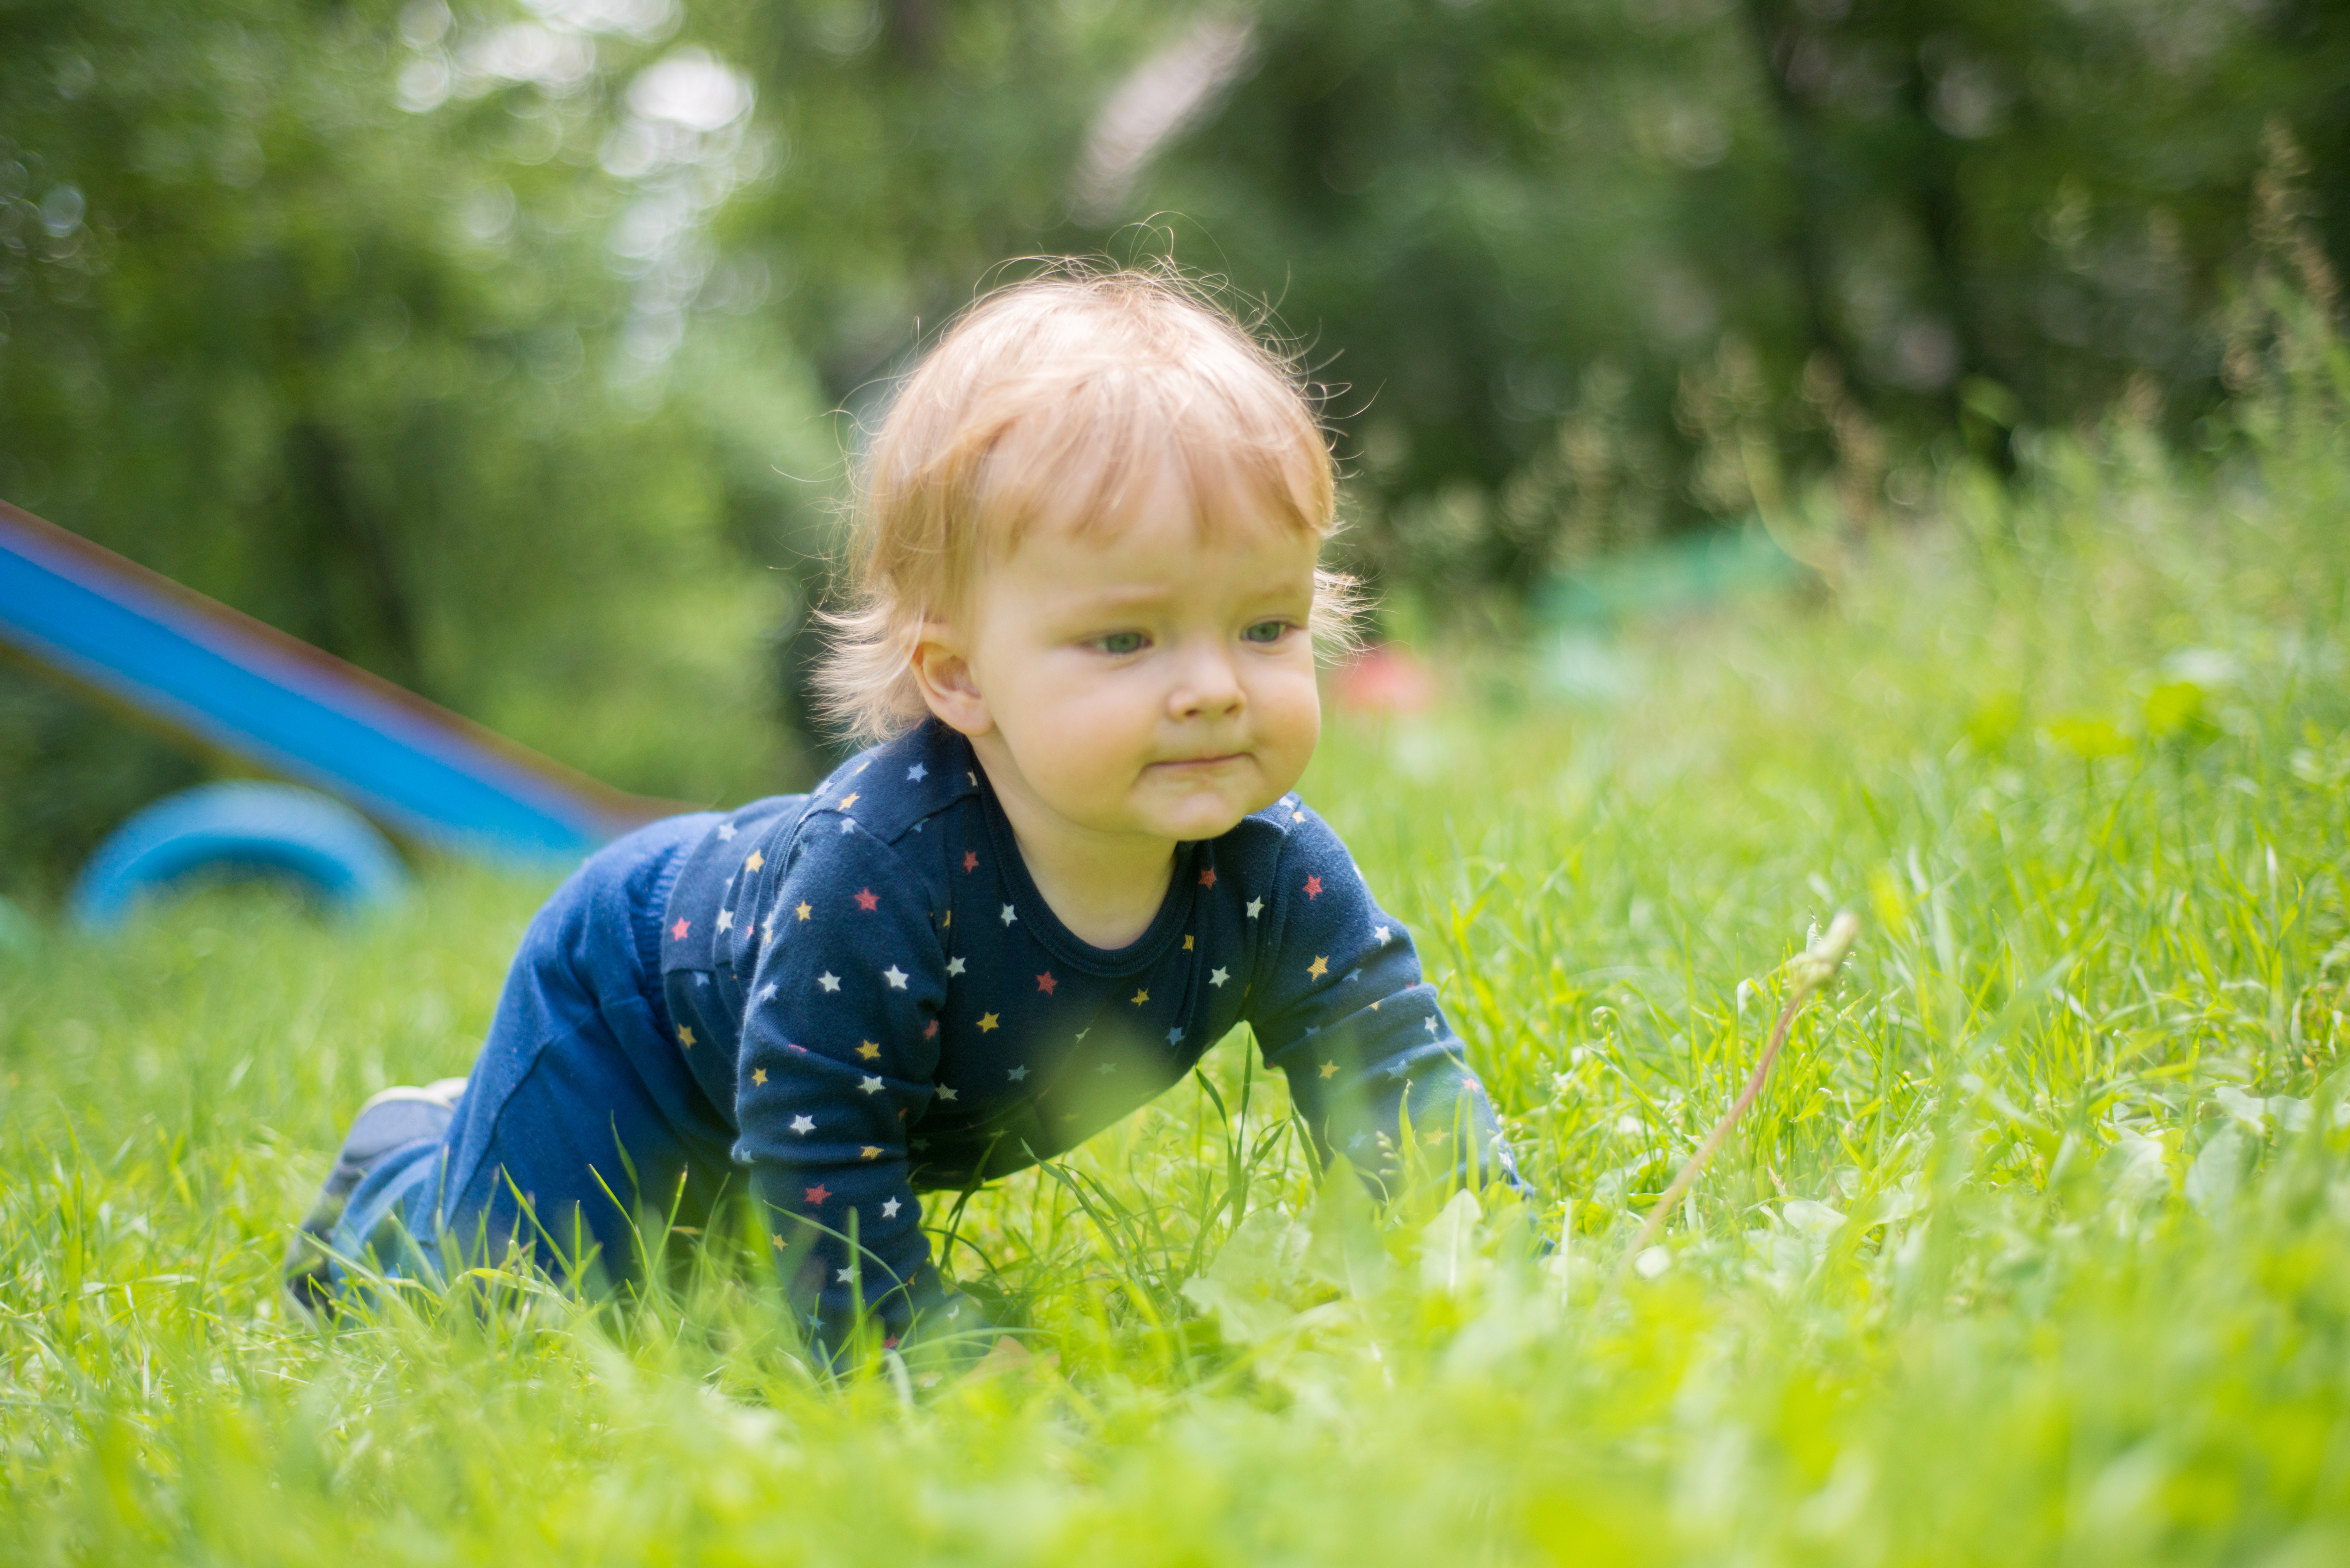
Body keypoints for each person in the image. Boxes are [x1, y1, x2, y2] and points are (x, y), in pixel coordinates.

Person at [287, 264, 1526, 1360]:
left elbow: (1388, 1066)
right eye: (1125, 637)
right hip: (638, 1014)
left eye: (1264, 626)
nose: (1211, 686)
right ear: (958, 676)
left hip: (775, 1078)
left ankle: (669, 1216)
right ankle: (398, 1180)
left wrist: (1472, 1264)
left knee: (699, 1278)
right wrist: (902, 1348)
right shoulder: (884, 874)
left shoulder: (1273, 871)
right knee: (530, 1310)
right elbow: (818, 1119)